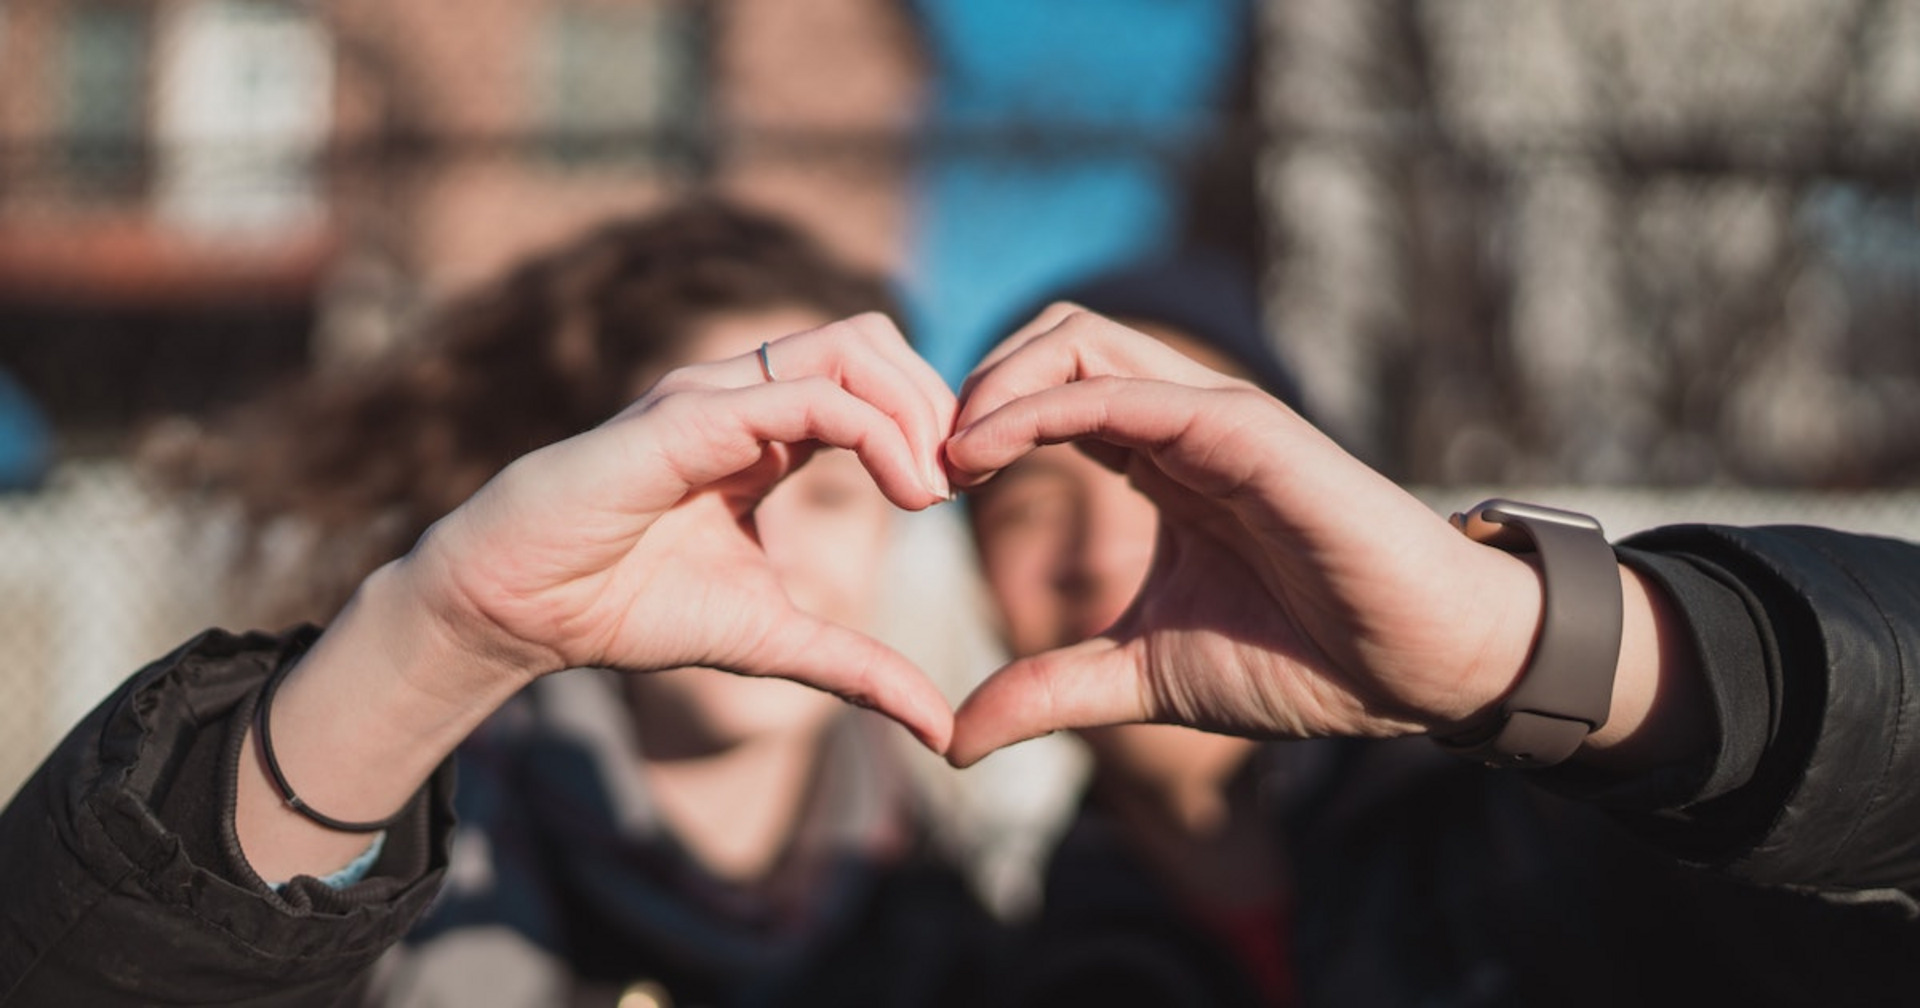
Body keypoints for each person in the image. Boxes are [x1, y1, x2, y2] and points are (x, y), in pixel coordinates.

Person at [0, 202, 1001, 1006]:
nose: (768, 545)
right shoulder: (391, 842)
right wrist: (442, 635)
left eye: (829, 495)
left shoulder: (952, 925)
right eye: (722, 488)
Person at [947, 296, 1920, 1005]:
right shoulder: (1017, 967)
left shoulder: (1581, 826)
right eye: (1028, 506)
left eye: (1161, 480)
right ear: (985, 585)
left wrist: (1519, 642)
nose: (1102, 553)